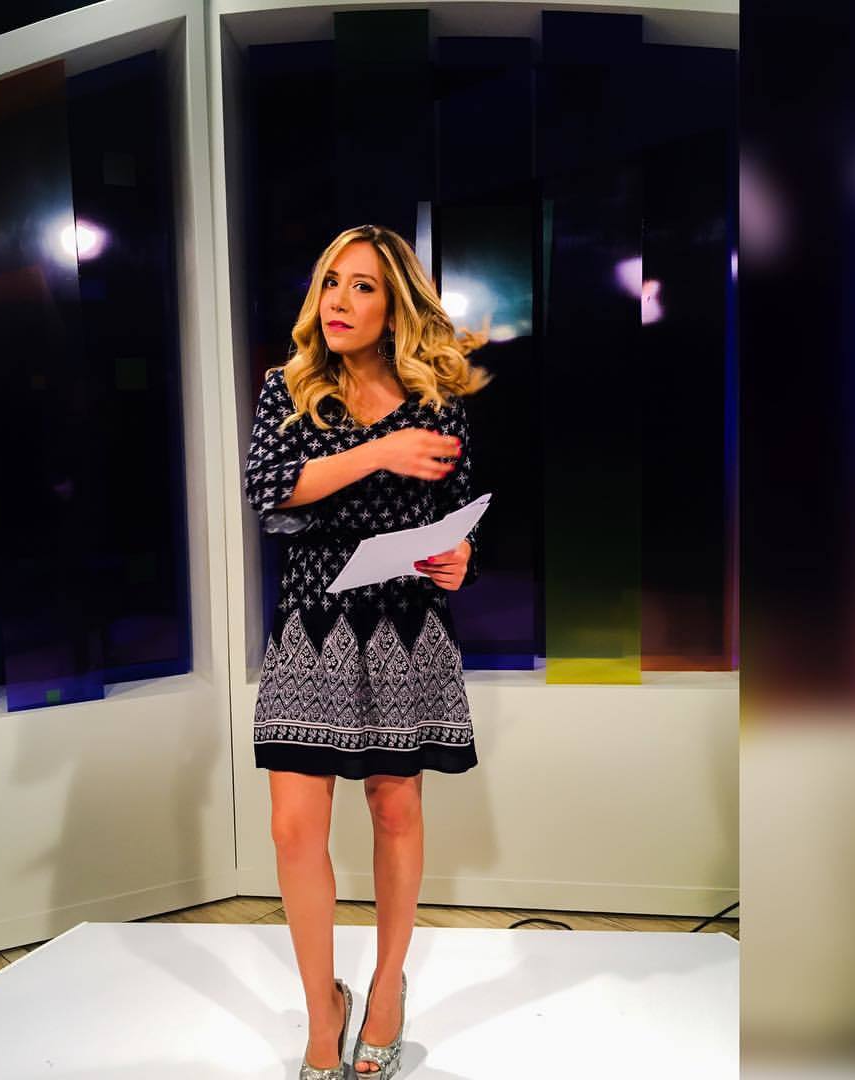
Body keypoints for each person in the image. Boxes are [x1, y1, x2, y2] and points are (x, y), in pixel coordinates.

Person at [242, 223, 492, 1079]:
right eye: (331, 282)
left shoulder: (437, 402)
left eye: (363, 286)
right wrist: (379, 451)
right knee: (292, 829)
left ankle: (386, 991)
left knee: (394, 812)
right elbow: (270, 491)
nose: (339, 301)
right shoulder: (289, 388)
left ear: (396, 307)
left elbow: (456, 515)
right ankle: (325, 1012)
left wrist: (460, 558)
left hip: (405, 626)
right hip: (311, 625)